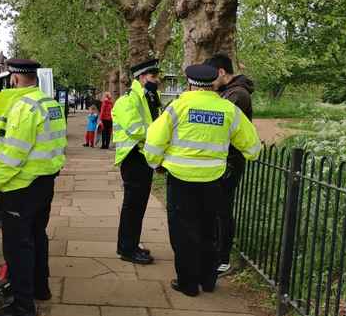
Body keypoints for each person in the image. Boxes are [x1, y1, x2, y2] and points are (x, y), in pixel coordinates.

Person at [143, 64, 261, 297]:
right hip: (214, 180)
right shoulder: (228, 109)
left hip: (180, 180)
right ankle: (208, 281)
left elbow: (154, 140)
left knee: (183, 232)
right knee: (209, 231)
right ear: (213, 83)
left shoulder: (178, 107)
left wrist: (156, 162)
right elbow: (252, 146)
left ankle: (188, 283)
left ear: (190, 83)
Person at [0, 59, 67, 316]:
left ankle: (22, 305)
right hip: (44, 182)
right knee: (37, 237)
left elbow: (13, 155)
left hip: (21, 187)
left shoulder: (22, 108)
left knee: (18, 246)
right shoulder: (50, 104)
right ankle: (40, 289)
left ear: (15, 78)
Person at [205, 53, 255, 275]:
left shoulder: (238, 95)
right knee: (216, 210)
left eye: (211, 76)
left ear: (222, 72)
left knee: (222, 210)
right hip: (223, 161)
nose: (208, 82)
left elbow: (222, 128)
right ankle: (214, 253)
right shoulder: (228, 92)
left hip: (230, 164)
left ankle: (222, 259)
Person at [111, 58, 162, 265]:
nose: (156, 80)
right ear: (141, 78)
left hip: (144, 158)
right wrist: (161, 135)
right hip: (133, 158)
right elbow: (136, 130)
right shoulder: (127, 101)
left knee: (138, 205)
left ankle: (131, 243)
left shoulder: (149, 97)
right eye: (153, 76)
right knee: (132, 206)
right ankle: (127, 249)